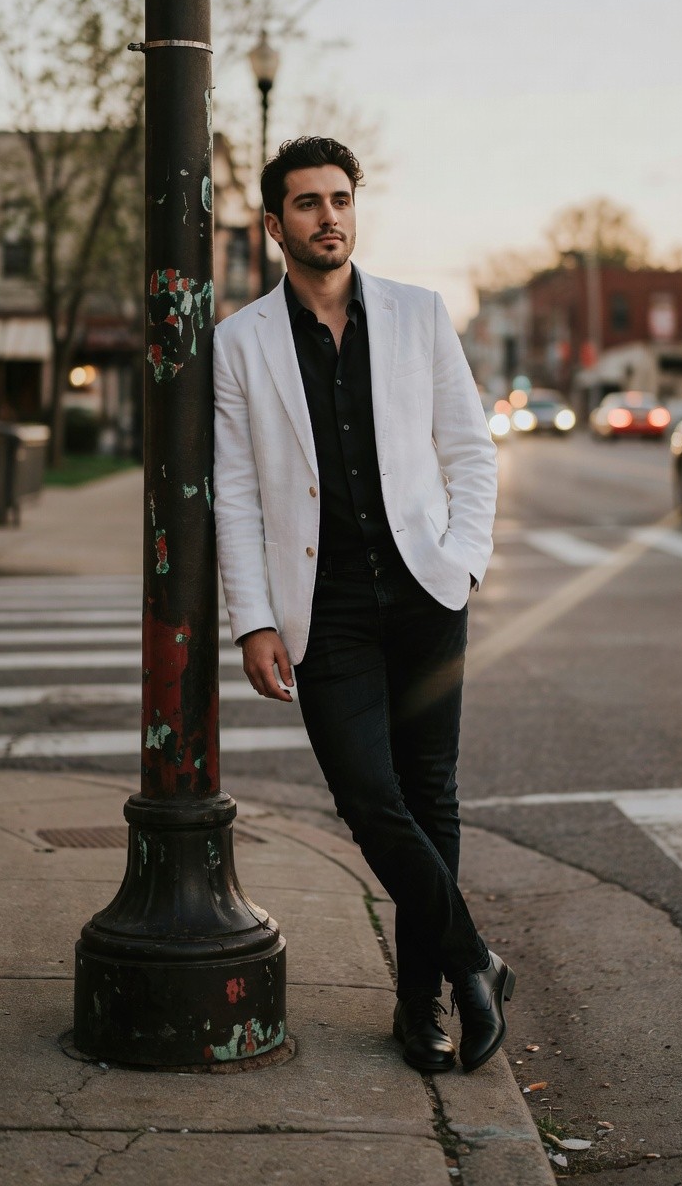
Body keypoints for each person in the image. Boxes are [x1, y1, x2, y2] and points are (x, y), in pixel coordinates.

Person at [213, 136, 514, 1074]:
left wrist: (463, 562)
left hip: (427, 591)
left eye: (340, 199)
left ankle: (422, 1002)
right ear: (275, 225)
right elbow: (237, 490)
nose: (328, 217)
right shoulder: (240, 341)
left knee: (433, 796)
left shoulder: (420, 315)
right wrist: (255, 618)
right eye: (306, 204)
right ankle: (476, 961)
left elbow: (470, 450)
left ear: (356, 208)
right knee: (368, 795)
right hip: (326, 606)